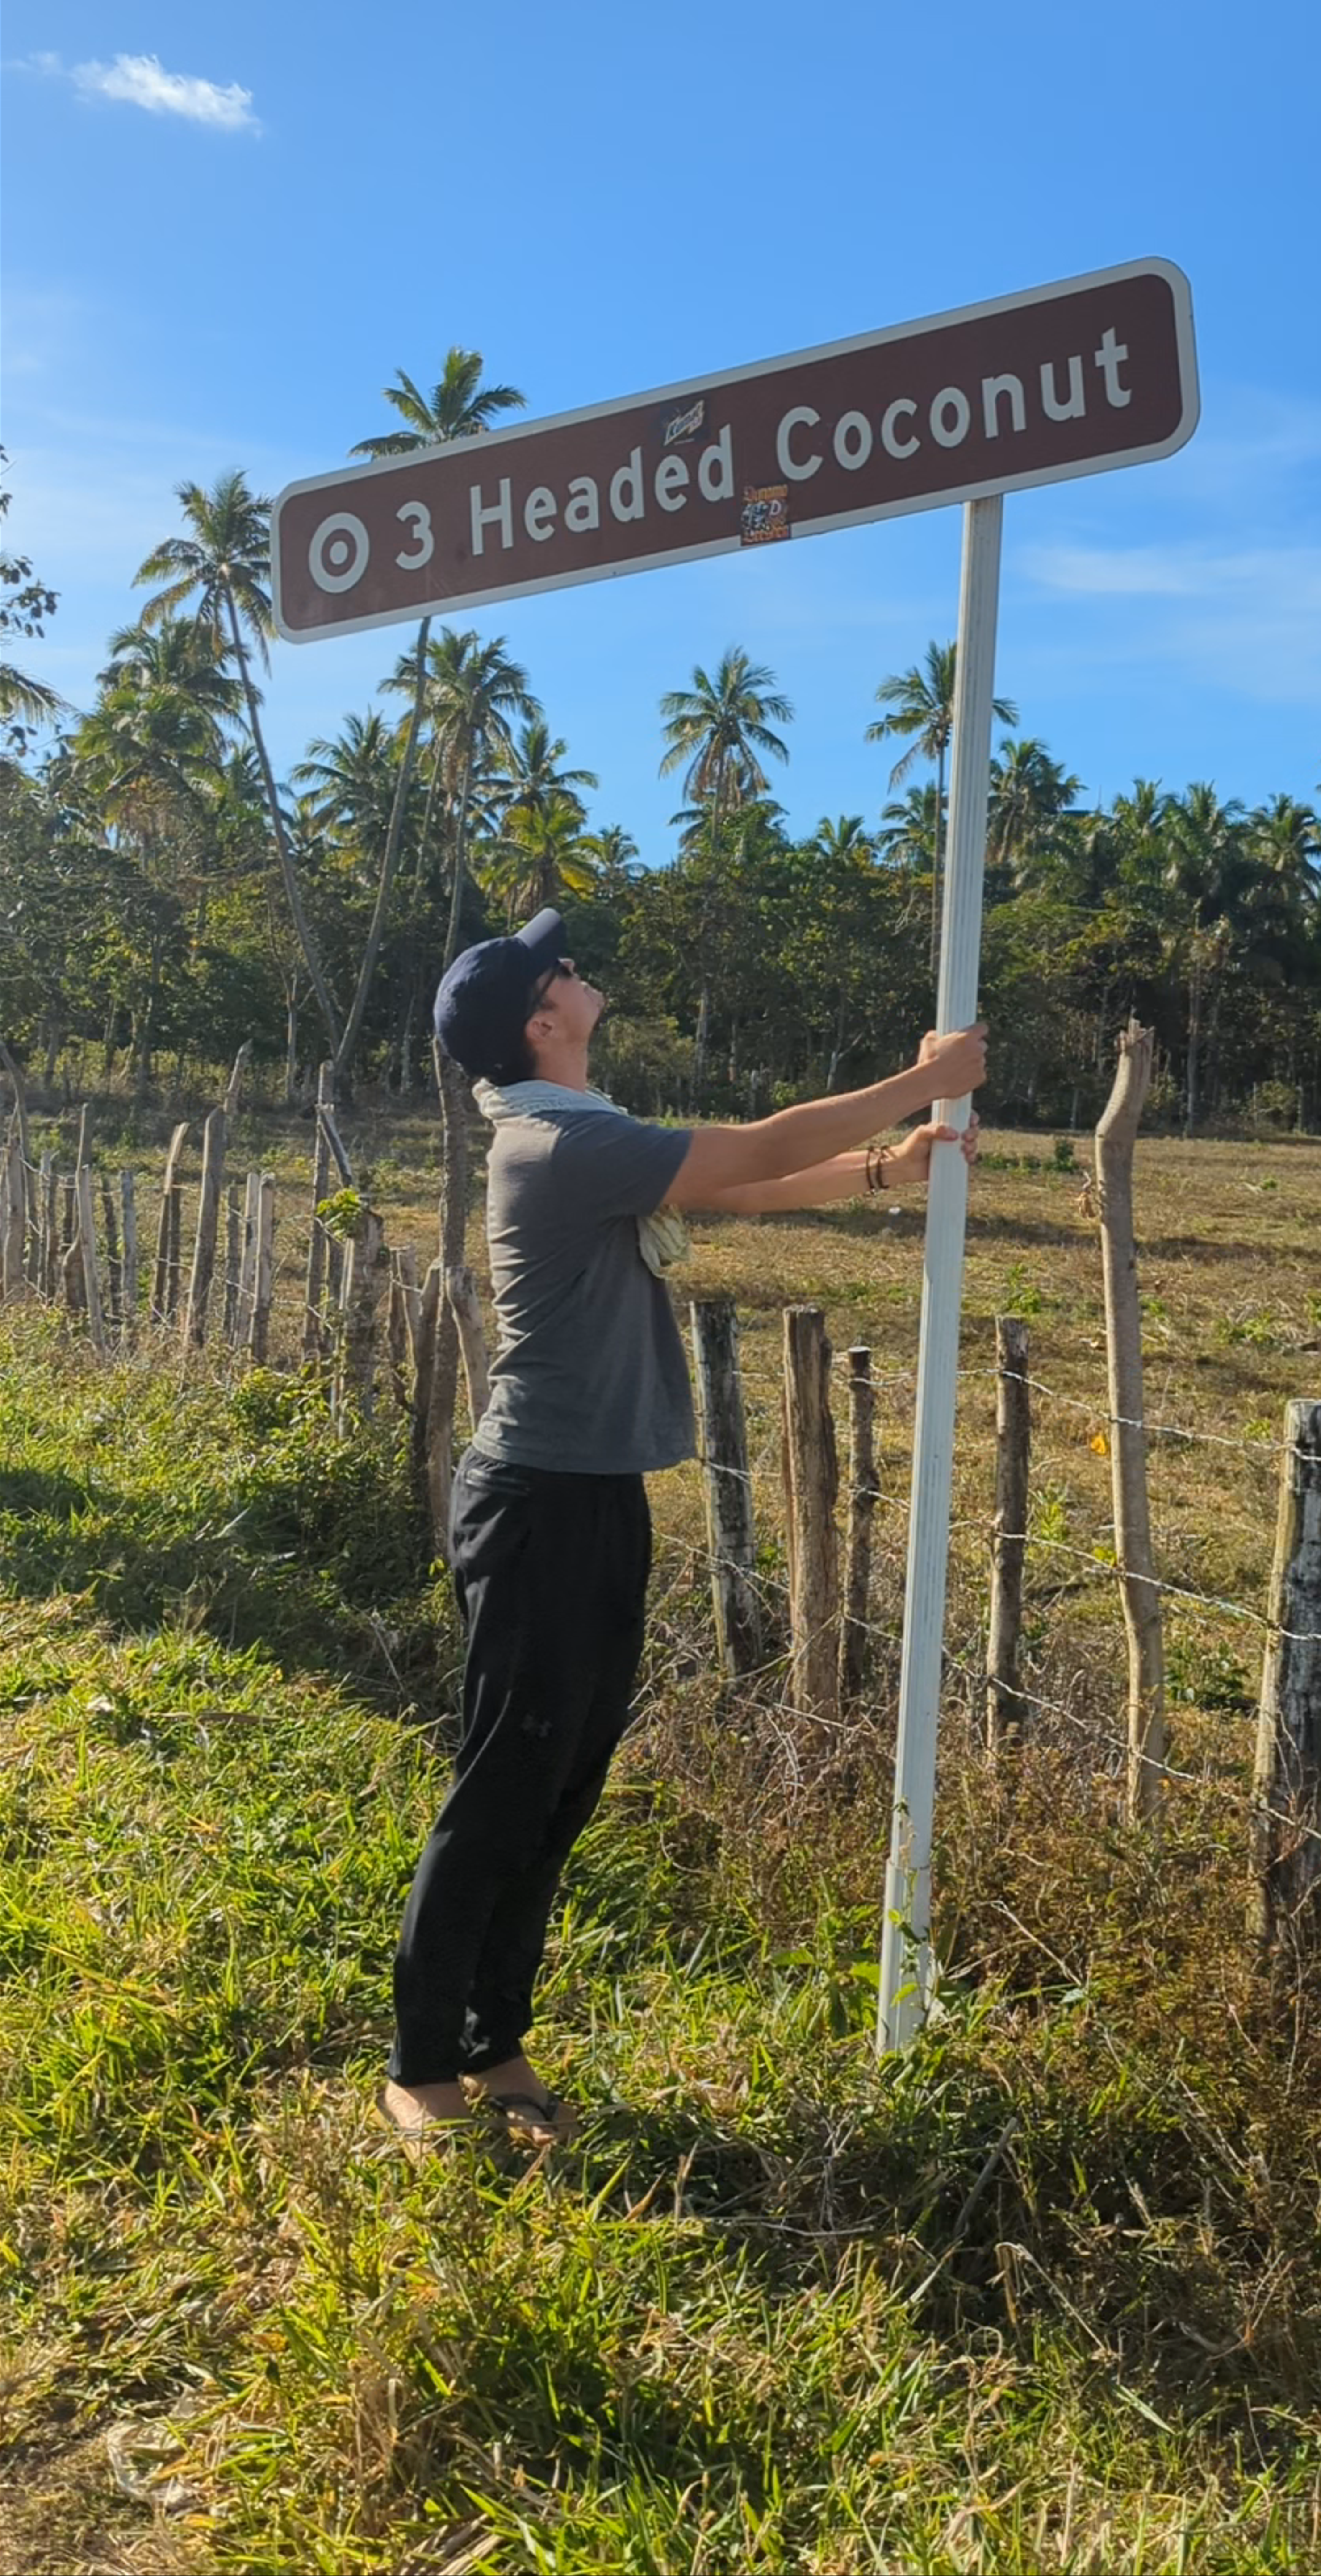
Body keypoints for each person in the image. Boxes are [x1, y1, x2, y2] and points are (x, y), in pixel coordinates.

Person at [383, 906, 987, 2147]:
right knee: (504, 1786)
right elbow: (757, 1151)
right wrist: (927, 1081)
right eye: (558, 968)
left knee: (560, 1787)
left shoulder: (575, 1130)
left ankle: (496, 2045)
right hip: (539, 1502)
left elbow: (737, 1185)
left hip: (593, 1494)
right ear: (541, 1023)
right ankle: (420, 2069)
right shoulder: (554, 1144)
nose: (575, 966)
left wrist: (885, 1169)